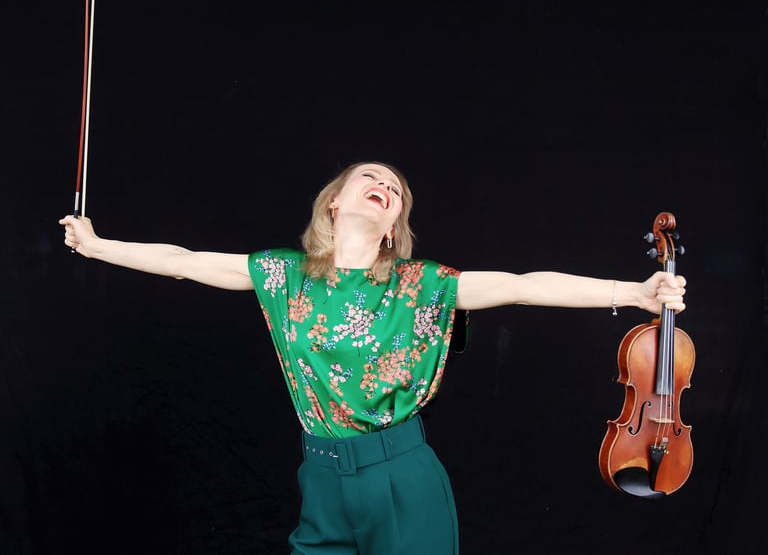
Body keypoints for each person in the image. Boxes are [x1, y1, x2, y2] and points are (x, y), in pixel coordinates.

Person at [59, 161, 686, 555]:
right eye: (372, 178)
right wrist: (96, 246)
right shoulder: (283, 275)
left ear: (393, 227)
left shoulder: (422, 283)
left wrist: (631, 292)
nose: (385, 186)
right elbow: (181, 261)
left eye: (396, 190)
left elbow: (525, 283)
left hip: (400, 475)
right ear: (335, 202)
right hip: (321, 475)